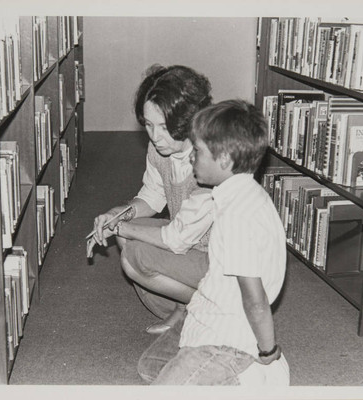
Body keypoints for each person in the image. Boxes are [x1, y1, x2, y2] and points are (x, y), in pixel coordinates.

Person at [132, 99, 288, 385]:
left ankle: (253, 373)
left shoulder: (239, 216)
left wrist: (269, 351)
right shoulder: (239, 193)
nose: (192, 157)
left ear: (225, 160)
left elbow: (255, 301)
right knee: (150, 367)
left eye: (199, 152)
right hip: (206, 313)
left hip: (227, 339)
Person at [89, 65, 214, 334]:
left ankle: (215, 310)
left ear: (190, 119)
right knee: (126, 237)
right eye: (148, 124)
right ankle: (185, 309)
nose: (155, 137)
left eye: (164, 127)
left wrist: (121, 226)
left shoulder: (212, 157)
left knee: (134, 254)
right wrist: (117, 215)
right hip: (189, 240)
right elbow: (152, 196)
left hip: (220, 258)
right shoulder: (160, 147)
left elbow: (178, 239)